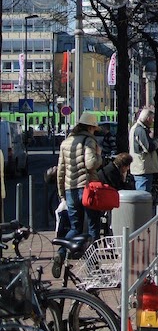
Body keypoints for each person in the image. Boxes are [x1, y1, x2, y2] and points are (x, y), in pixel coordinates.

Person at [53, 112, 103, 278]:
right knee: (93, 227)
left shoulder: (66, 142)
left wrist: (62, 193)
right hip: (87, 189)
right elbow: (91, 163)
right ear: (90, 127)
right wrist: (99, 155)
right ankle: (93, 264)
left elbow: (60, 170)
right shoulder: (89, 141)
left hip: (70, 189)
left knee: (75, 227)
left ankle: (61, 252)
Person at [129, 107, 158, 192]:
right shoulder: (140, 130)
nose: (152, 121)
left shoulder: (138, 128)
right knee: (143, 195)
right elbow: (149, 148)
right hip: (142, 168)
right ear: (148, 118)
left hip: (142, 167)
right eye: (152, 118)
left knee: (143, 195)